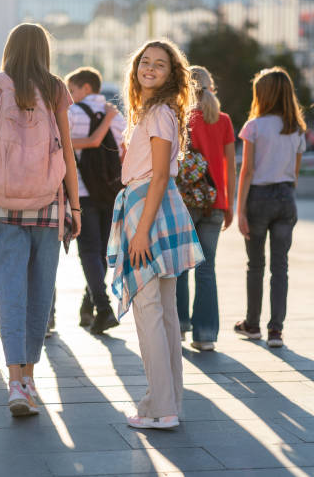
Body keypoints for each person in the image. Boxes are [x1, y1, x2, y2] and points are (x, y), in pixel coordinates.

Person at [0, 23, 81, 416]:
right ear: (42, 50)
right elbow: (67, 152)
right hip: (49, 206)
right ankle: (30, 378)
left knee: (9, 295)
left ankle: (15, 382)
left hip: (2, 206)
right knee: (40, 296)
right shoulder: (55, 87)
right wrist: (76, 208)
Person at [107, 40, 204, 429]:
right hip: (152, 205)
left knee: (152, 314)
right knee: (163, 315)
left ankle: (161, 408)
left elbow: (161, 174)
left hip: (150, 209)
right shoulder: (151, 111)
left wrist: (141, 231)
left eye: (159, 65)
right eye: (144, 62)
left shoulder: (160, 113)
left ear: (171, 74)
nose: (149, 68)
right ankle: (167, 404)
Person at [235, 67, 306, 348]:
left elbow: (248, 171)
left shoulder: (253, 127)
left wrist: (240, 209)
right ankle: (276, 330)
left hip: (259, 197)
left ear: (261, 95)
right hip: (286, 196)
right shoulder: (297, 130)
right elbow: (296, 173)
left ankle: (252, 325)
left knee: (255, 265)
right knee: (281, 266)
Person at [176, 66, 236, 351]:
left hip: (184, 201)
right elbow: (230, 166)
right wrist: (229, 202)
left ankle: (178, 327)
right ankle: (205, 335)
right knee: (206, 268)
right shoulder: (223, 120)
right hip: (215, 202)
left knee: (180, 267)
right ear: (211, 86)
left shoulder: (181, 117)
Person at [66, 66, 126, 334]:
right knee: (101, 252)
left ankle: (102, 308)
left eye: (72, 89)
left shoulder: (72, 113)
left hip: (82, 191)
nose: (69, 95)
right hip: (111, 191)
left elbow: (61, 146)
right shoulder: (117, 117)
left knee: (88, 251)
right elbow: (126, 150)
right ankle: (88, 307)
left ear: (86, 88)